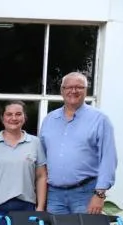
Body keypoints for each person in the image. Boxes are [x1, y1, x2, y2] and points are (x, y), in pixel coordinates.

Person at [39, 71, 117, 215]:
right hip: (54, 195)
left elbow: (108, 159)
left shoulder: (100, 120)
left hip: (85, 194)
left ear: (86, 90)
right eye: (68, 87)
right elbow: (41, 158)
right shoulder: (49, 120)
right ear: (62, 91)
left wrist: (100, 195)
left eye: (79, 87)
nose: (73, 91)